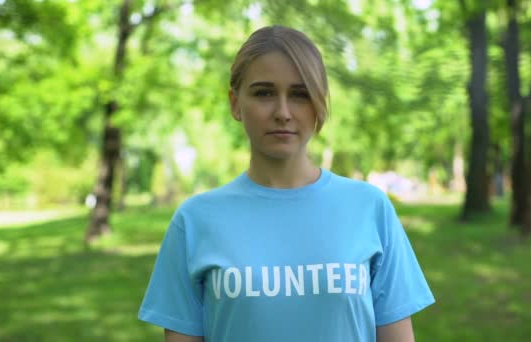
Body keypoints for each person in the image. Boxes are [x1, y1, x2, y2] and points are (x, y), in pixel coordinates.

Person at [138, 25, 435, 342]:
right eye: (264, 93)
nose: (282, 112)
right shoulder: (195, 221)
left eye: (299, 94)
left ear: (319, 103)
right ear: (235, 103)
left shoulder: (370, 208)